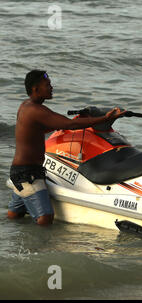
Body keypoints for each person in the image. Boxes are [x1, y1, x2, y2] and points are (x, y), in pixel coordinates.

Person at [7, 70, 126, 225]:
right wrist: (105, 118)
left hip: (22, 172)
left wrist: (76, 123)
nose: (51, 87)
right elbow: (69, 124)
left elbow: (39, 129)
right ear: (35, 89)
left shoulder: (26, 106)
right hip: (28, 175)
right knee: (45, 218)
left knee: (14, 214)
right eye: (47, 85)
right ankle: (40, 247)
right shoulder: (36, 110)